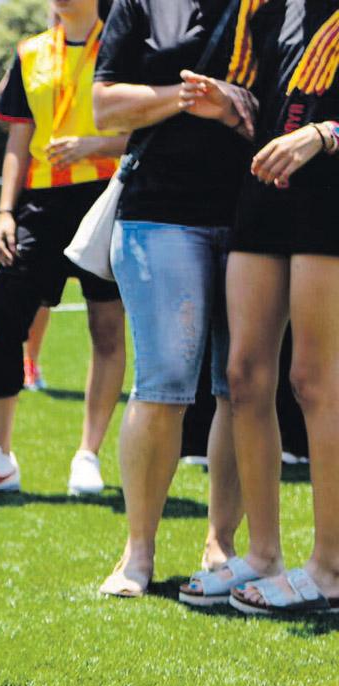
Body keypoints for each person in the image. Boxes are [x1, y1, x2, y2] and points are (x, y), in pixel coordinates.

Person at [181, 0, 339, 615]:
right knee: (243, 378)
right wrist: (229, 104)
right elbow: (267, 104)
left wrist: (323, 133)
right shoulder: (270, 10)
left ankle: (329, 567)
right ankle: (264, 554)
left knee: (315, 382)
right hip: (265, 197)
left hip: (329, 202)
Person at [92, 0, 252, 597]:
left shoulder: (267, 8)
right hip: (158, 214)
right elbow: (104, 107)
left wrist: (232, 105)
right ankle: (138, 552)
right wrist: (188, 99)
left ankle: (222, 543)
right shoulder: (140, 4)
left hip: (255, 215)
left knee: (240, 388)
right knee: (162, 385)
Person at [0, 0, 129, 498]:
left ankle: (88, 455)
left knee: (106, 326)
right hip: (39, 206)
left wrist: (93, 146)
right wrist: (6, 212)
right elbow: (18, 140)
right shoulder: (30, 52)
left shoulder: (124, 44)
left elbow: (149, 130)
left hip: (107, 196)